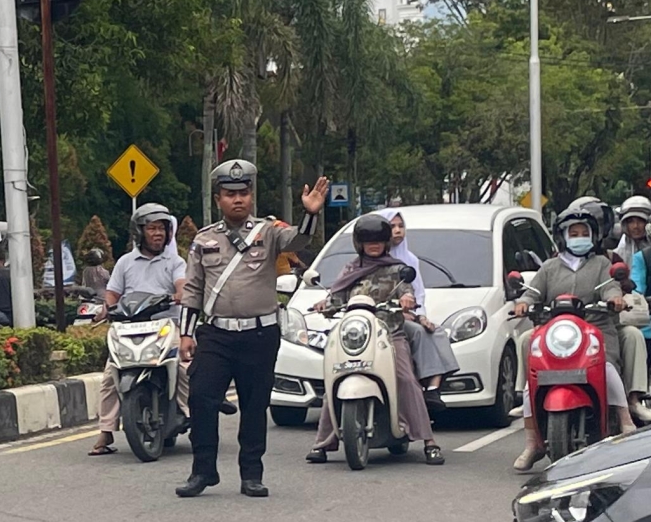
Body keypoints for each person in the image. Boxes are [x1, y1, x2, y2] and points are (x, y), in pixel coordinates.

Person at [173, 159, 299, 498]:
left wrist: (312, 213)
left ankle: (251, 474)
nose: (238, 199)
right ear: (218, 199)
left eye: (244, 193)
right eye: (230, 194)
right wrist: (186, 334)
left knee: (254, 404)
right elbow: (193, 290)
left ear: (251, 196)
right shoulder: (204, 240)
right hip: (217, 334)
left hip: (260, 334)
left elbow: (298, 243)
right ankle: (203, 471)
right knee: (201, 397)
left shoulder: (269, 232)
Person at [508, 199, 643, 471]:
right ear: (563, 237)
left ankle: (625, 419)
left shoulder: (602, 264)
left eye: (584, 234)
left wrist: (615, 299)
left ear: (593, 237)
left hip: (596, 328)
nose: (579, 239)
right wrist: (522, 302)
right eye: (574, 234)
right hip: (555, 334)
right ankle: (532, 440)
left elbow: (610, 289)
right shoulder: (549, 267)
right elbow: (532, 293)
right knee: (528, 353)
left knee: (606, 367)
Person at [307, 212, 442, 465]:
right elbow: (338, 295)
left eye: (378, 240)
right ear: (360, 243)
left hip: (390, 335)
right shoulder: (350, 269)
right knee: (332, 380)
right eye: (368, 240)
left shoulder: (397, 269)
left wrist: (407, 299)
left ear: (386, 242)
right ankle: (323, 442)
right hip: (356, 336)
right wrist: (325, 304)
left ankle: (429, 441)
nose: (374, 245)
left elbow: (406, 289)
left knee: (405, 379)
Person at [91, 202, 187, 454]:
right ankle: (106, 431)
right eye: (152, 228)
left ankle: (192, 416)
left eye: (162, 229)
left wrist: (180, 293)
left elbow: (182, 284)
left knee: (186, 366)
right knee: (110, 375)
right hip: (130, 326)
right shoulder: (125, 262)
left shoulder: (175, 262)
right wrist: (106, 308)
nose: (158, 234)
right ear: (139, 232)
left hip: (166, 325)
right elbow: (112, 293)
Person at [381, 208, 460, 394]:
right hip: (384, 317)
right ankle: (429, 379)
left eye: (401, 226)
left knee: (436, 331)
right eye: (392, 226)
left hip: (408, 313)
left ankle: (436, 384)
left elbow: (418, 292)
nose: (398, 230)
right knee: (418, 332)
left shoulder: (410, 260)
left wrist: (421, 315)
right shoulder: (376, 259)